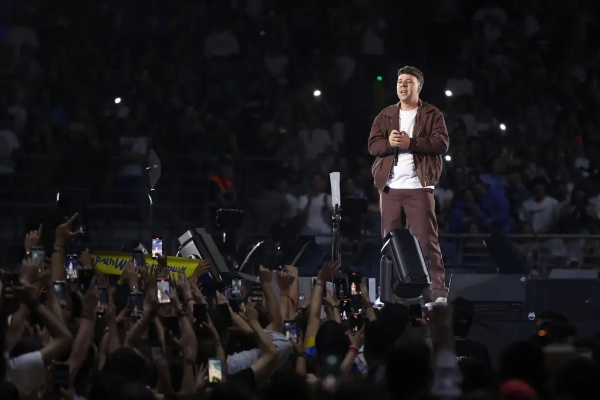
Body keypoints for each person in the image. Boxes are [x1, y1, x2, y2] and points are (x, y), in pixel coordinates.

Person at [368, 66, 450, 302]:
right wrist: (389, 144)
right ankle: (389, 294)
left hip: (419, 186)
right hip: (390, 187)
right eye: (400, 81)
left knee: (426, 241)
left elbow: (441, 144)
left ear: (419, 87)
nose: (403, 85)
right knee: (389, 243)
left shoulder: (432, 114)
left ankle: (436, 293)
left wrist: (410, 142)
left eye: (408, 82)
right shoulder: (385, 115)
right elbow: (373, 145)